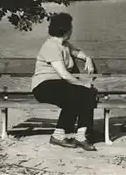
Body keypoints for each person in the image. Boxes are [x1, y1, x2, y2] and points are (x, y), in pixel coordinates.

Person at [32, 13, 98, 151]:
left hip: (59, 85)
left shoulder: (64, 44)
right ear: (66, 30)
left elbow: (77, 53)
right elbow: (64, 74)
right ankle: (58, 135)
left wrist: (88, 59)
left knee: (86, 94)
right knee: (78, 94)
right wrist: (83, 84)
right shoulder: (51, 46)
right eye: (71, 27)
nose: (72, 30)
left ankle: (81, 136)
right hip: (44, 86)